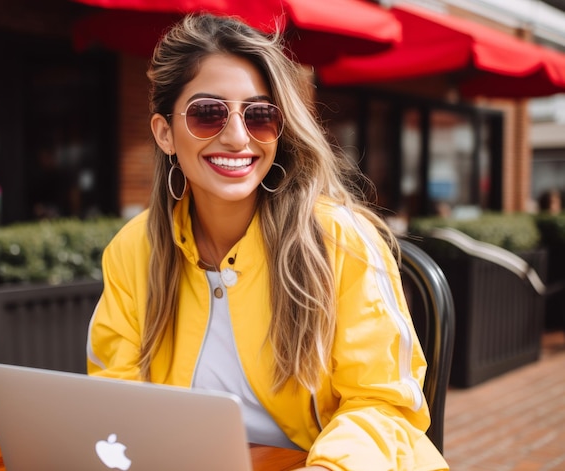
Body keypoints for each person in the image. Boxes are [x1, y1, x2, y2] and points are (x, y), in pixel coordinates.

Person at [87, 13, 448, 471]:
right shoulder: (133, 249)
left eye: (259, 115)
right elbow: (114, 397)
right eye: (207, 112)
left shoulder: (342, 239)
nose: (238, 137)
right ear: (164, 133)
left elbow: (384, 404)